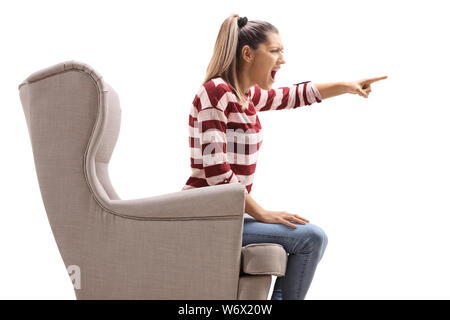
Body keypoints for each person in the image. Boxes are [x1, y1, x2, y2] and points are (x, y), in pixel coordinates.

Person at [181, 13, 387, 300]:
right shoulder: (216, 92)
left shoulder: (244, 96)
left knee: (311, 236)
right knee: (311, 238)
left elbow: (293, 95)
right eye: (275, 51)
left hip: (230, 216)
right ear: (247, 54)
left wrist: (347, 86)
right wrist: (262, 213)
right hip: (204, 218)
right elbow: (217, 172)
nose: (283, 59)